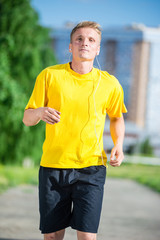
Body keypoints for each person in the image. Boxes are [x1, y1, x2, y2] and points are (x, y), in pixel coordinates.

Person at [23, 21, 127, 240]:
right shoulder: (49, 76)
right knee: (52, 236)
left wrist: (118, 144)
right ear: (70, 46)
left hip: (92, 168)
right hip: (53, 167)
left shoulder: (110, 83)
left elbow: (116, 117)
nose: (84, 44)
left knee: (87, 237)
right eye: (79, 39)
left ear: (98, 48)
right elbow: (27, 119)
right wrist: (40, 112)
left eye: (91, 40)